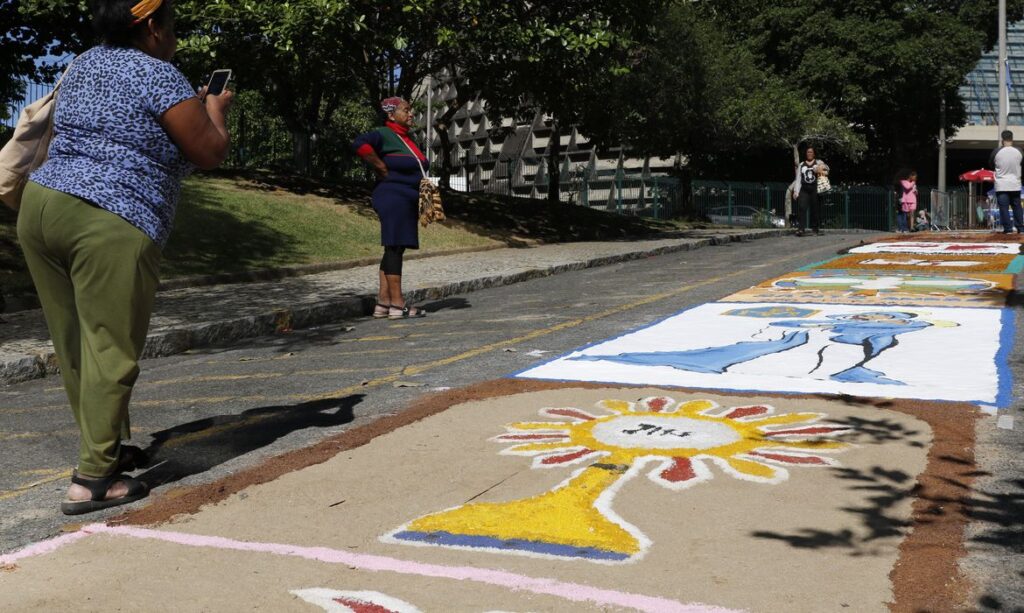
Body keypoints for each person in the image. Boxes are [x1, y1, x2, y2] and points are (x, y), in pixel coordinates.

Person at [17, 0, 232, 514]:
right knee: (111, 348)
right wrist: (216, 110)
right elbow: (208, 150)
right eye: (172, 26)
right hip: (109, 215)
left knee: (74, 343)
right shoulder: (158, 74)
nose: (175, 37)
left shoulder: (84, 62)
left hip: (41, 206)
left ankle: (105, 448)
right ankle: (92, 480)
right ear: (152, 27)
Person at [353, 97, 429, 319]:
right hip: (393, 196)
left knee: (394, 248)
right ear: (391, 115)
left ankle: (383, 302)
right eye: (406, 110)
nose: (411, 114)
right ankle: (398, 304)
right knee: (395, 246)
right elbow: (359, 144)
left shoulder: (406, 139)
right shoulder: (384, 133)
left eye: (410, 110)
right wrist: (379, 166)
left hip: (407, 198)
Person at [989, 130, 1024, 234]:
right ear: (1012, 139)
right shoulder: (1019, 151)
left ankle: (1008, 229)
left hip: (1001, 184)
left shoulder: (996, 152)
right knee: (1017, 206)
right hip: (1015, 184)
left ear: (1002, 140)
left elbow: (991, 164)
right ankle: (1020, 228)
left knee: (1003, 208)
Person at [792, 145, 829, 236]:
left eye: (811, 152)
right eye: (808, 152)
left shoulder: (818, 162)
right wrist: (796, 191)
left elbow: (827, 170)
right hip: (804, 189)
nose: (809, 153)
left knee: (815, 209)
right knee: (801, 208)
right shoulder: (801, 164)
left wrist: (820, 168)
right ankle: (801, 229)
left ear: (814, 154)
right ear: (806, 154)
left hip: (815, 189)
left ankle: (815, 229)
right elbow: (798, 179)